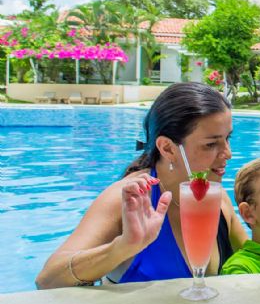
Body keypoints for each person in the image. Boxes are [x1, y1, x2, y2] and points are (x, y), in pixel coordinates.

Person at [35, 82, 248, 288]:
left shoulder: (216, 199)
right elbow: (47, 279)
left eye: (228, 138)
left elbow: (252, 261)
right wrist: (122, 247)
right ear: (167, 148)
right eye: (211, 144)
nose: (228, 153)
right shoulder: (127, 199)